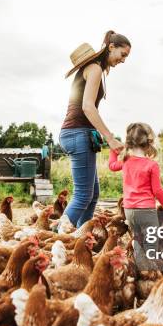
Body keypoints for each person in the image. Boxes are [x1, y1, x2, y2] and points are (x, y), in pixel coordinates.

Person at [59, 30, 131, 227]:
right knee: (83, 195)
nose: (123, 60)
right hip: (77, 133)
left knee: (92, 194)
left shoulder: (93, 69)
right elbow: (88, 107)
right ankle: (58, 238)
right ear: (111, 47)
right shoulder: (95, 69)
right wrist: (110, 138)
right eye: (122, 54)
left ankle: (82, 236)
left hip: (78, 133)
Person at [109, 122, 163, 270]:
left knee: (137, 240)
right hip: (146, 211)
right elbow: (157, 191)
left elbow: (112, 165)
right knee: (151, 244)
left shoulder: (126, 161)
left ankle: (139, 268)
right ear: (148, 142)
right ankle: (150, 272)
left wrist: (113, 150)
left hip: (129, 211)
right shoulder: (151, 165)